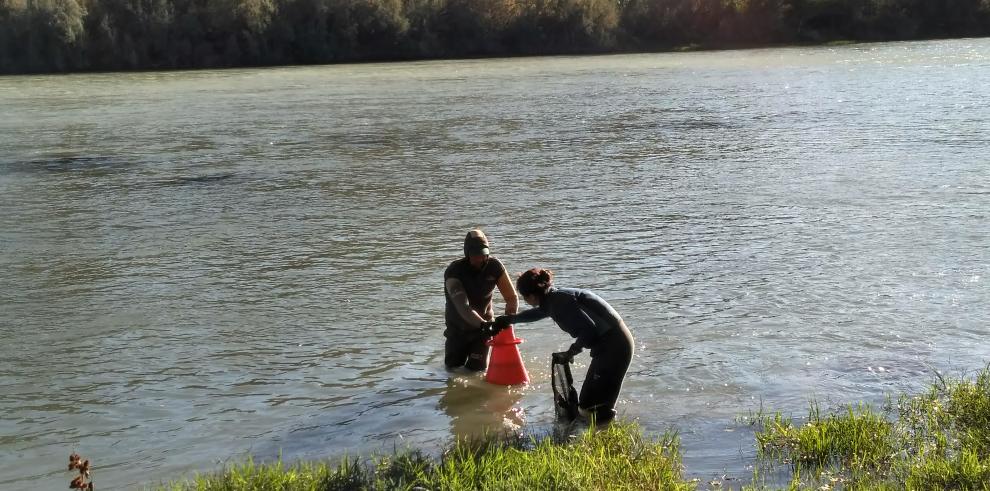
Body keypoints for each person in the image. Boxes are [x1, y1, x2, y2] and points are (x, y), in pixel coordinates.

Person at [493, 268, 634, 425]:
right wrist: (509, 320)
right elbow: (537, 314)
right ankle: (602, 432)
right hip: (610, 346)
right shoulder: (553, 299)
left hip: (615, 347)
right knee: (589, 404)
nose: (526, 301)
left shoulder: (560, 301)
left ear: (531, 296)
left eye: (524, 298)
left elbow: (589, 331)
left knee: (593, 406)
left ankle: (605, 435)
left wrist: (571, 352)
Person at [443, 229, 518, 371]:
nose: (479, 259)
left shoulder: (495, 267)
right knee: (453, 372)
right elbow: (464, 307)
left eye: (483, 255)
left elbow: (511, 297)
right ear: (467, 254)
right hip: (458, 330)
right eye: (475, 255)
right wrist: (483, 325)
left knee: (477, 372)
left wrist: (509, 321)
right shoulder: (454, 272)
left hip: (483, 332)